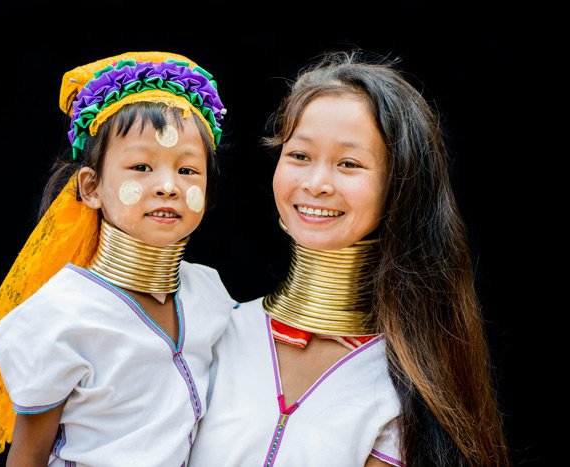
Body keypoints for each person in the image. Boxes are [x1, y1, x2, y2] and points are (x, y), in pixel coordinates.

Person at [188, 50, 510, 466]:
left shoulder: (406, 383)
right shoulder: (209, 330)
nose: (317, 183)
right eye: (299, 156)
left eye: (349, 163)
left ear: (401, 186)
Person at [0, 51, 236, 466]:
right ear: (90, 187)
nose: (168, 186)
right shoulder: (58, 317)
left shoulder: (210, 294)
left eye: (188, 171)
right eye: (141, 166)